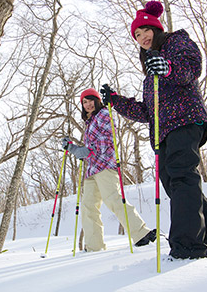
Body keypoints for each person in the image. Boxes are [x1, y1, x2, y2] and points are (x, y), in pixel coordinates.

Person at [100, 1, 207, 259]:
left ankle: (187, 247)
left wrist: (167, 67)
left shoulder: (176, 42)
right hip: (164, 132)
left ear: (156, 28)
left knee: (183, 179)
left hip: (185, 120)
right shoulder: (150, 69)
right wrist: (115, 100)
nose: (142, 38)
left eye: (145, 31)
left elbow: (192, 68)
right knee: (177, 186)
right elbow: (147, 111)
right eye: (137, 35)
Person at [62, 88, 156, 252]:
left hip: (105, 166)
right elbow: (87, 149)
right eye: (84, 102)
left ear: (97, 101)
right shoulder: (89, 122)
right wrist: (72, 148)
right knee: (88, 208)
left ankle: (141, 233)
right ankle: (94, 246)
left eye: (90, 100)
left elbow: (106, 139)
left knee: (114, 199)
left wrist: (87, 151)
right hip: (91, 171)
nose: (88, 104)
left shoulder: (104, 114)